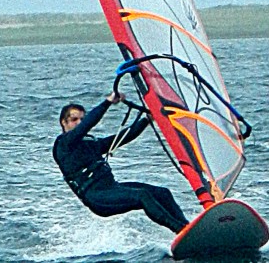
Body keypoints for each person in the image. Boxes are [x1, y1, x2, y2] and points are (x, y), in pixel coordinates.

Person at [52, 91, 189, 233]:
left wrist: (146, 120)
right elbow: (87, 125)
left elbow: (122, 137)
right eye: (74, 119)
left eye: (82, 119)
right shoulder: (63, 144)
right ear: (64, 122)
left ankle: (188, 227)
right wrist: (107, 102)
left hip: (112, 188)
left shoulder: (90, 142)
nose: (79, 123)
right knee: (142, 195)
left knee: (162, 193)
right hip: (97, 197)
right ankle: (179, 229)